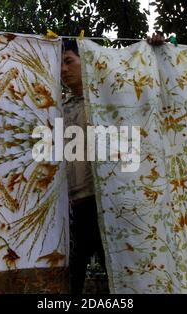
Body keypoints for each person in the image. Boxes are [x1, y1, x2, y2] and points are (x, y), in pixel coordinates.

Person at [61, 32, 165, 294]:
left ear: (85, 61)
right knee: (72, 277)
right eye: (59, 65)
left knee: (123, 275)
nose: (63, 70)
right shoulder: (60, 109)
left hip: (110, 204)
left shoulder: (113, 101)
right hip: (74, 207)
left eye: (68, 61)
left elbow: (149, 92)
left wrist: (156, 52)